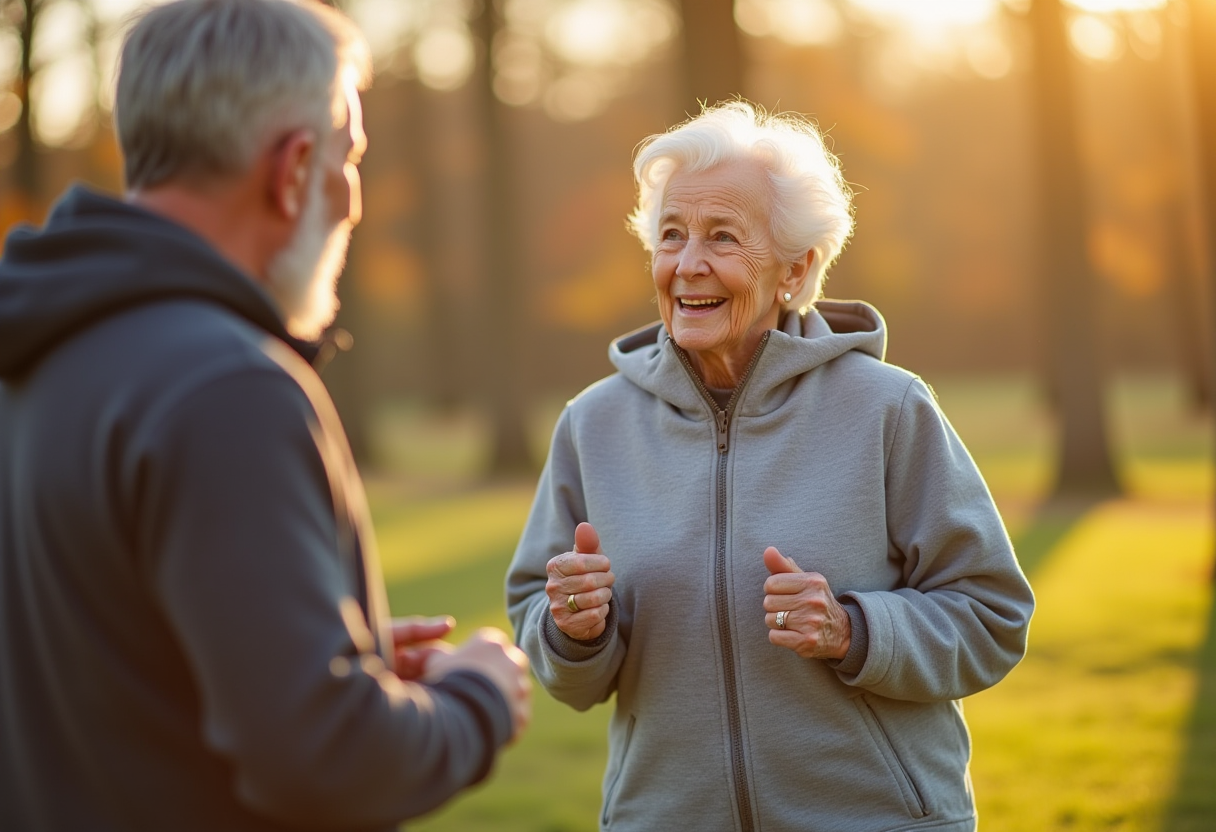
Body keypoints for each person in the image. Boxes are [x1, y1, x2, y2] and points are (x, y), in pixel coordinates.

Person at [0, 1, 530, 830]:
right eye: (349, 156)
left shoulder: (35, 355)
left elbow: (96, 667)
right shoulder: (228, 388)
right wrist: (479, 696)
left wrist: (317, 655)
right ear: (294, 169)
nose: (353, 198)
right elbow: (324, 760)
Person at [506, 100, 1035, 832]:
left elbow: (991, 615)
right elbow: (549, 642)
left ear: (796, 267)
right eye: (671, 234)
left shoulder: (887, 409)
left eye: (722, 236)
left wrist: (854, 630)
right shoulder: (593, 425)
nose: (688, 264)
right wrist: (574, 629)